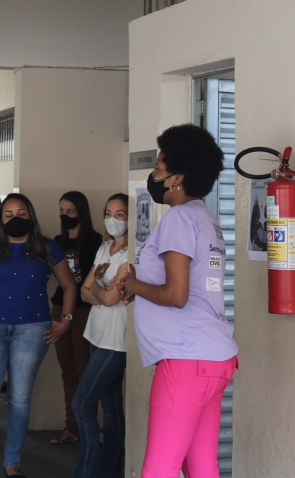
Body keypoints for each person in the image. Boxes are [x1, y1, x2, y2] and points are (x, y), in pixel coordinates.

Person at [119, 124, 238, 477]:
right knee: (201, 466)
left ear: (177, 178)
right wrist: (140, 286)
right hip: (213, 358)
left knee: (160, 468)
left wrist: (133, 285)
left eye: (158, 168)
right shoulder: (205, 218)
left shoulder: (180, 218)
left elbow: (176, 294)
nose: (154, 175)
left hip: (187, 359)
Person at [0, 193, 79, 478]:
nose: (15, 218)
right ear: (1, 219)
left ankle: (12, 464)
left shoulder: (47, 247)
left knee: (19, 400)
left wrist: (66, 321)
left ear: (30, 216)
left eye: (21, 213)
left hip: (32, 331)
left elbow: (70, 286)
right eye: (8, 214)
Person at [71, 193, 130, 478]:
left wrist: (96, 287)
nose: (113, 219)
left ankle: (88, 471)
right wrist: (99, 289)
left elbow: (107, 298)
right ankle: (109, 470)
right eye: (109, 213)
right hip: (96, 334)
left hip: (115, 341)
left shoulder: (131, 255)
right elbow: (84, 291)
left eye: (120, 214)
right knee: (111, 404)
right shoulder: (105, 247)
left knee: (82, 403)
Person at [51, 191, 103, 445]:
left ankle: (86, 428)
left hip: (84, 310)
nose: (65, 215)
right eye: (62, 211)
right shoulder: (57, 242)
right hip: (59, 308)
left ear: (81, 212)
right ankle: (70, 427)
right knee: (68, 371)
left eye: (70, 211)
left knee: (85, 371)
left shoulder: (96, 241)